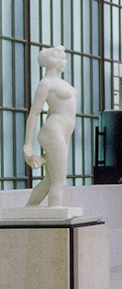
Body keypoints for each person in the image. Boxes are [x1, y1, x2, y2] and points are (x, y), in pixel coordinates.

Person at [23, 46, 77, 208]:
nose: (65, 62)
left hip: (62, 132)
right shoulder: (45, 83)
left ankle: (29, 209)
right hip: (54, 131)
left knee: (50, 180)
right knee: (59, 181)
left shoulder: (60, 83)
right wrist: (28, 144)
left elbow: (51, 111)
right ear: (53, 61)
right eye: (63, 58)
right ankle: (56, 213)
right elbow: (34, 113)